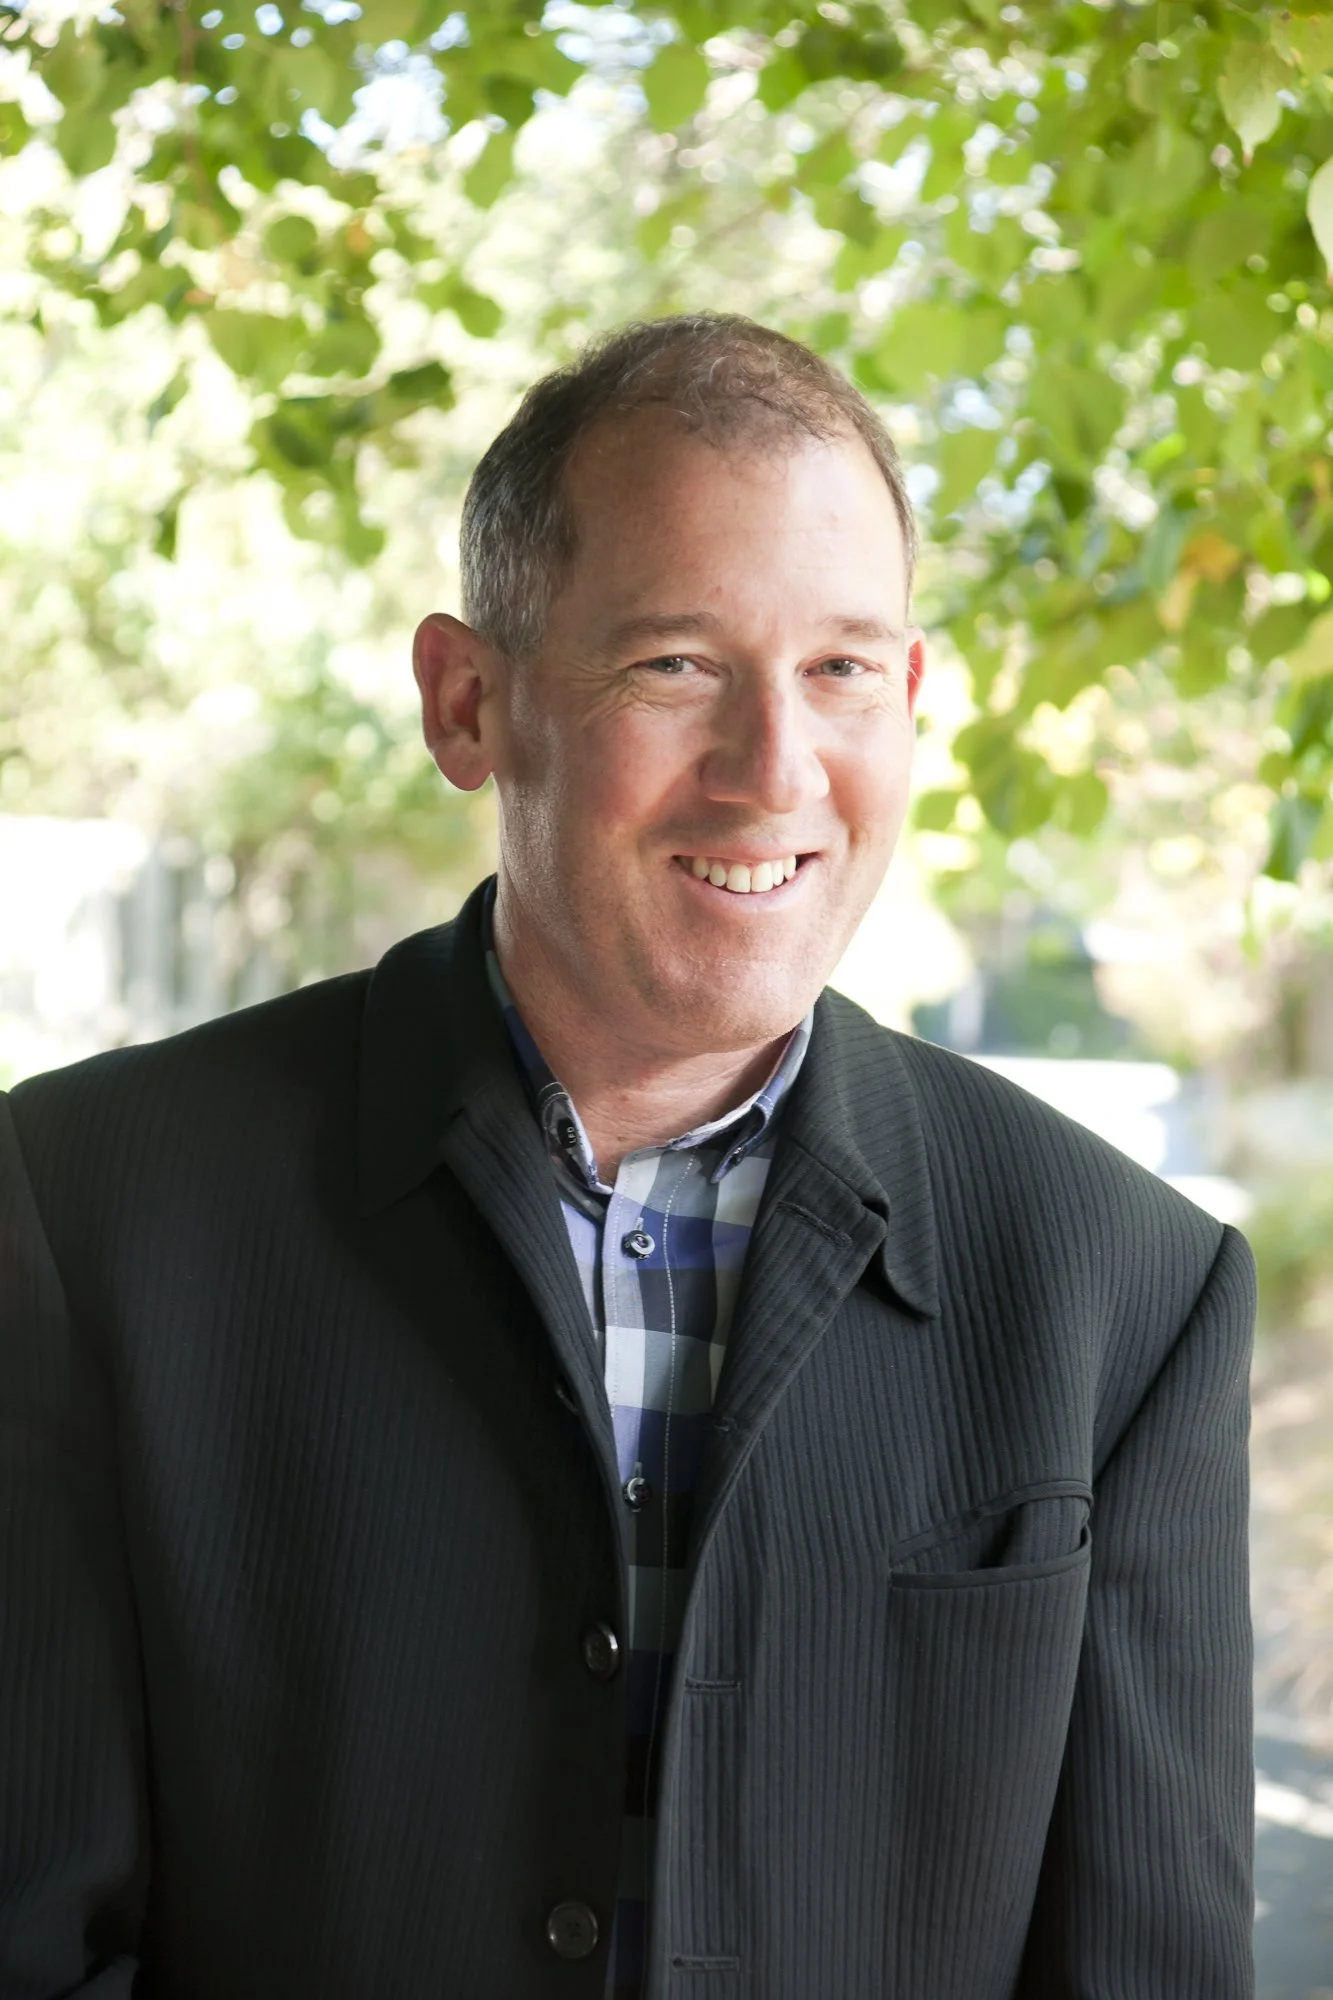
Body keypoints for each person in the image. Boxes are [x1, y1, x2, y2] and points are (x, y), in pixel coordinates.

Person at [0, 314, 1254, 2000]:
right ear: (470, 703)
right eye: (674, 664)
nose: (775, 771)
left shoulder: (1130, 1292)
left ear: (913, 697)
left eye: (841, 670)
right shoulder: (82, 1213)